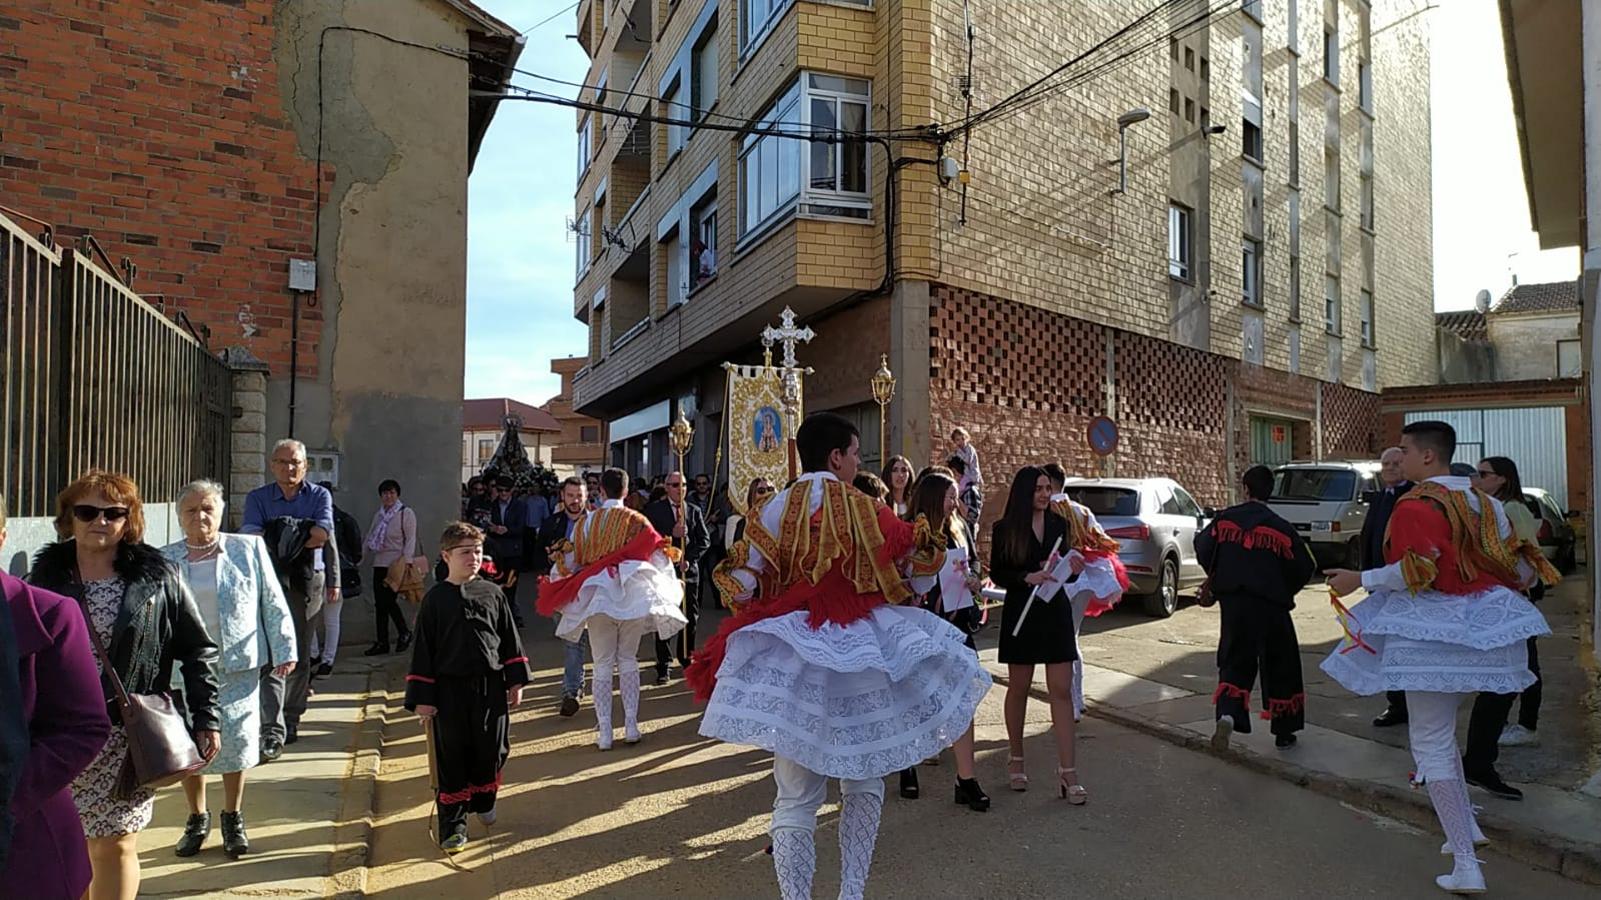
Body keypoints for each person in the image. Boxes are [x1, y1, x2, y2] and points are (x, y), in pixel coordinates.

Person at [688, 413, 990, 900]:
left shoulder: (772, 507)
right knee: (863, 780)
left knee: (794, 796)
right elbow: (917, 575)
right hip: (861, 650)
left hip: (794, 648)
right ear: (836, 457)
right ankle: (851, 893)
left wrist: (776, 608)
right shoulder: (864, 507)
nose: (856, 462)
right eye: (854, 454)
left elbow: (739, 584)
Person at [1322, 421, 1558, 894]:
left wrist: (1359, 579)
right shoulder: (1487, 503)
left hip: (1428, 630)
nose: (1399, 459)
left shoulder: (1417, 503)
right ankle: (1466, 827)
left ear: (1428, 457)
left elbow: (1416, 570)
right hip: (1485, 626)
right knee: (1441, 734)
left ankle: (1467, 863)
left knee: (1430, 738)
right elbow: (1521, 568)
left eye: (1405, 451)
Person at [27, 471, 220, 900]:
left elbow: (198, 649)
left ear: (129, 519)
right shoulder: (45, 576)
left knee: (115, 843)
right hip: (60, 736)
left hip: (126, 733)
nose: (100, 521)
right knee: (67, 842)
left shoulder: (157, 577)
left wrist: (208, 717)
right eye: (87, 511)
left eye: (114, 513)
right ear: (68, 518)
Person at [161, 480, 298, 859]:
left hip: (237, 663)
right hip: (185, 668)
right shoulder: (163, 558)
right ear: (179, 517)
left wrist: (284, 647)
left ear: (221, 512)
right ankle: (196, 817)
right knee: (191, 744)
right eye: (191, 510)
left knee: (236, 743)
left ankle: (233, 817)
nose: (200, 516)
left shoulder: (247, 548)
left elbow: (272, 599)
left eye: (207, 508)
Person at [0, 492, 112, 900]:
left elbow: (83, 727)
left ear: (1, 535)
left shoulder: (49, 614)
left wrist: (9, 793)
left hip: (26, 842)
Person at [538, 469, 686, 749]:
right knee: (628, 659)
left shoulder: (587, 522)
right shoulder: (638, 520)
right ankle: (631, 725)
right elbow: (659, 557)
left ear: (601, 492)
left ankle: (604, 731)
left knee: (603, 663)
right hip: (633, 591)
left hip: (598, 594)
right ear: (626, 493)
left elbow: (572, 560)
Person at [405, 522, 528, 854]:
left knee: (493, 749)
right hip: (449, 693)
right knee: (452, 757)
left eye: (477, 551)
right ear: (446, 556)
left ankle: (485, 797)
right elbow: (423, 653)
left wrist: (515, 680)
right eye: (465, 552)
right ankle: (453, 826)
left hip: (490, 688)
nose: (473, 557)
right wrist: (423, 700)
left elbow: (509, 639)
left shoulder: (493, 593)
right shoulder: (435, 601)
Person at [1195, 466, 1318, 750]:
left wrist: (1221, 574)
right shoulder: (1281, 527)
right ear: (1270, 491)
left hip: (1235, 605)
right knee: (1281, 665)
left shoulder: (1224, 520)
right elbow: (1305, 566)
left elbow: (1203, 547)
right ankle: (1284, 732)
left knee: (1234, 659)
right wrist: (1283, 590)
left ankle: (1227, 714)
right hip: (1272, 607)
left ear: (1245, 489)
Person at [990, 466, 1087, 804]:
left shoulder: (1061, 524)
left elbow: (1067, 573)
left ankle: (1068, 772)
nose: (1045, 494)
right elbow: (999, 572)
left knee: (1061, 690)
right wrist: (1027, 577)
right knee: (1019, 688)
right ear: (1024, 492)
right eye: (1039, 489)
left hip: (1054, 612)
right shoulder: (1004, 529)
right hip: (1022, 612)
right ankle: (1016, 758)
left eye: (1048, 488)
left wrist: (1073, 570)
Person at [240, 439, 339, 754]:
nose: (289, 468)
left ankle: (291, 717)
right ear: (272, 465)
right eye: (282, 462)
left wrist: (278, 533)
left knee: (297, 651)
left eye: (295, 462)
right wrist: (300, 532)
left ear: (305, 465)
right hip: (267, 581)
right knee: (271, 653)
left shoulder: (319, 495)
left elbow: (322, 535)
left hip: (306, 583)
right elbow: (251, 538)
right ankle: (271, 723)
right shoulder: (258, 498)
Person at [900, 471, 990, 811]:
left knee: (964, 696)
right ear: (933, 497)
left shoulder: (959, 528)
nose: (956, 503)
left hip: (958, 623)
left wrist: (974, 579)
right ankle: (907, 764)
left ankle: (966, 779)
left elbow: (975, 564)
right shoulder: (909, 531)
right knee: (915, 699)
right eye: (951, 496)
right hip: (920, 626)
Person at [1461, 456, 1543, 798]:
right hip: (1490, 604)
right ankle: (1475, 762)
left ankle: (1517, 731)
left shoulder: (1511, 510)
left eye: (1483, 474)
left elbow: (1528, 562)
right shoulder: (1488, 508)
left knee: (1517, 673)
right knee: (1501, 679)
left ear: (1503, 479)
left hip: (1508, 605)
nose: (1476, 480)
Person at [1042, 462, 1129, 721]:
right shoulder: (1082, 510)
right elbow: (1102, 540)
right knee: (1073, 638)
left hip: (1056, 579)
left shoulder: (1047, 510)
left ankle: (1068, 702)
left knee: (1060, 642)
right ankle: (1076, 700)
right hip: (1083, 579)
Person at [1363, 446, 1414, 728]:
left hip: (1405, 583)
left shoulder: (1414, 495)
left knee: (1405, 645)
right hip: (1379, 583)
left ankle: (1410, 702)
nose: (1391, 468)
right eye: (1386, 464)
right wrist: (1366, 577)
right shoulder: (1381, 497)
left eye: (1396, 463)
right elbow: (1369, 537)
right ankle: (1396, 703)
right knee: (1388, 647)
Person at [645, 471, 710, 685]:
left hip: (688, 573)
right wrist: (671, 534)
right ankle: (663, 664)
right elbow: (648, 540)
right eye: (674, 485)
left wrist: (689, 559)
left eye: (682, 485)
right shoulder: (654, 511)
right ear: (666, 487)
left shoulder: (693, 510)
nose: (678, 489)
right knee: (664, 616)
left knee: (690, 617)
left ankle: (686, 657)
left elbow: (704, 540)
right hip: (665, 572)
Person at [538, 477, 592, 717]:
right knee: (571, 639)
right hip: (559, 591)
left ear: (586, 496)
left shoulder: (595, 522)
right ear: (563, 496)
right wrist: (549, 558)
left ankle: (571, 691)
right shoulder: (551, 523)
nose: (575, 500)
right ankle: (575, 688)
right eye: (570, 496)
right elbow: (536, 558)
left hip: (588, 589)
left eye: (579, 495)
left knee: (575, 641)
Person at [364, 479, 418, 656]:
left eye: (392, 493)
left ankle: (404, 632)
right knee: (380, 604)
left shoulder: (405, 513)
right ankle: (382, 641)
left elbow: (410, 539)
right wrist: (360, 556)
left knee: (388, 601)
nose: (388, 496)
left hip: (396, 564)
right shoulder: (379, 515)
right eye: (385, 493)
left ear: (397, 494)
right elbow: (370, 536)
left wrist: (407, 561)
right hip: (380, 562)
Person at [315, 482, 362, 677]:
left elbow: (356, 550)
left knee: (324, 619)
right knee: (324, 619)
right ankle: (322, 657)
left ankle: (322, 657)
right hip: (323, 575)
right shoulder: (341, 518)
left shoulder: (340, 520)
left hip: (333, 574)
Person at [947, 455, 983, 537]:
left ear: (955, 472)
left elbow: (973, 516)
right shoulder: (953, 490)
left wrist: (957, 499)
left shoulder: (970, 490)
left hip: (966, 536)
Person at [950, 426, 983, 495]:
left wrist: (957, 455)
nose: (961, 442)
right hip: (965, 475)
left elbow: (968, 460)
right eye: (958, 440)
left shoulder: (970, 449)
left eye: (962, 439)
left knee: (961, 489)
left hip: (972, 475)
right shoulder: (958, 450)